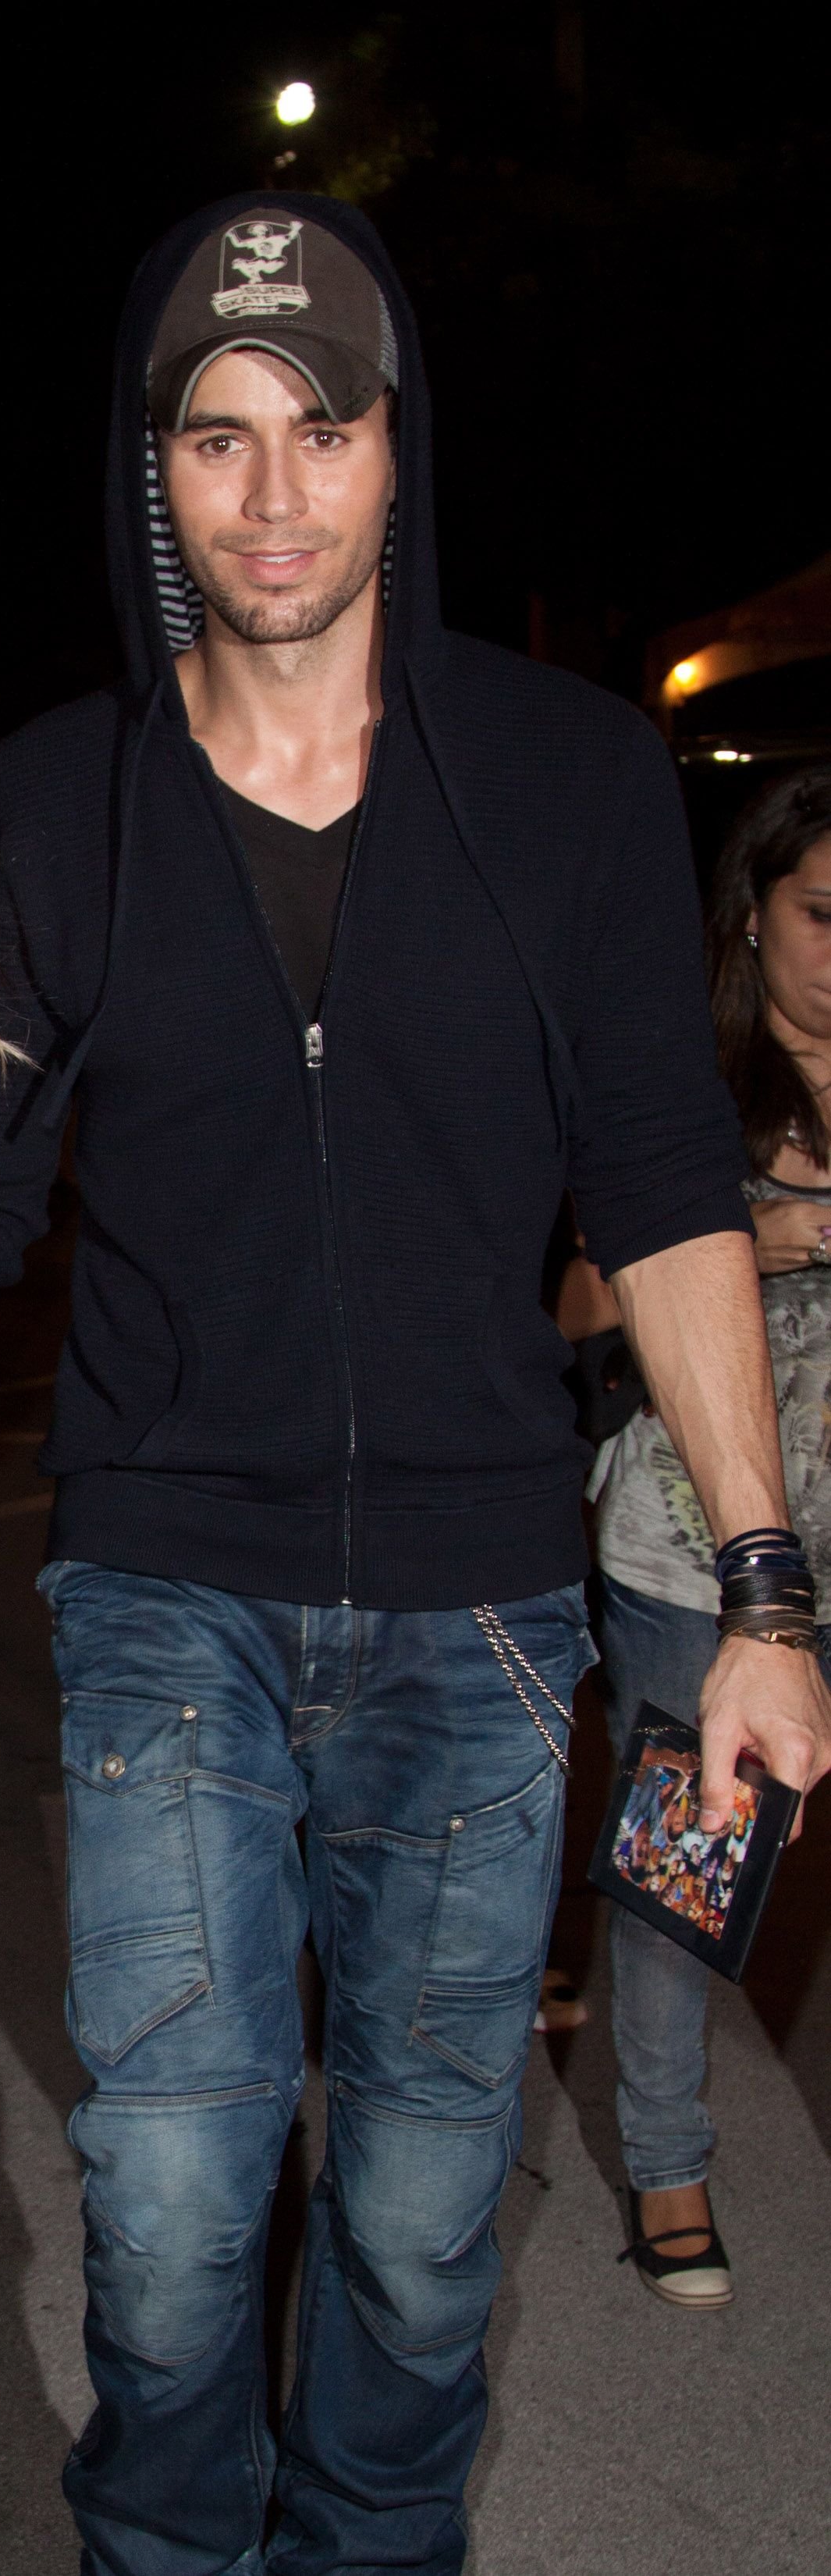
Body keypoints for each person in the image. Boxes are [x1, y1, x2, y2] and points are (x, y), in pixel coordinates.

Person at [0, 195, 831, 2574]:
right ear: (154, 473)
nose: (270, 493)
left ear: (390, 445)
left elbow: (662, 1190)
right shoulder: (50, 803)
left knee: (427, 2231)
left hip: (479, 1614)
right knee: (164, 2189)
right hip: (164, 1583)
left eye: (318, 428)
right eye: (214, 438)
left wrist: (761, 1585)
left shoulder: (552, 783)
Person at [581, 765, 831, 2310]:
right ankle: (664, 2160)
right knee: (694, 1867)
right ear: (751, 917)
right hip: (694, 1555)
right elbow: (564, 1302)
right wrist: (759, 1234)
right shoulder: (682, 1081)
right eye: (821, 914)